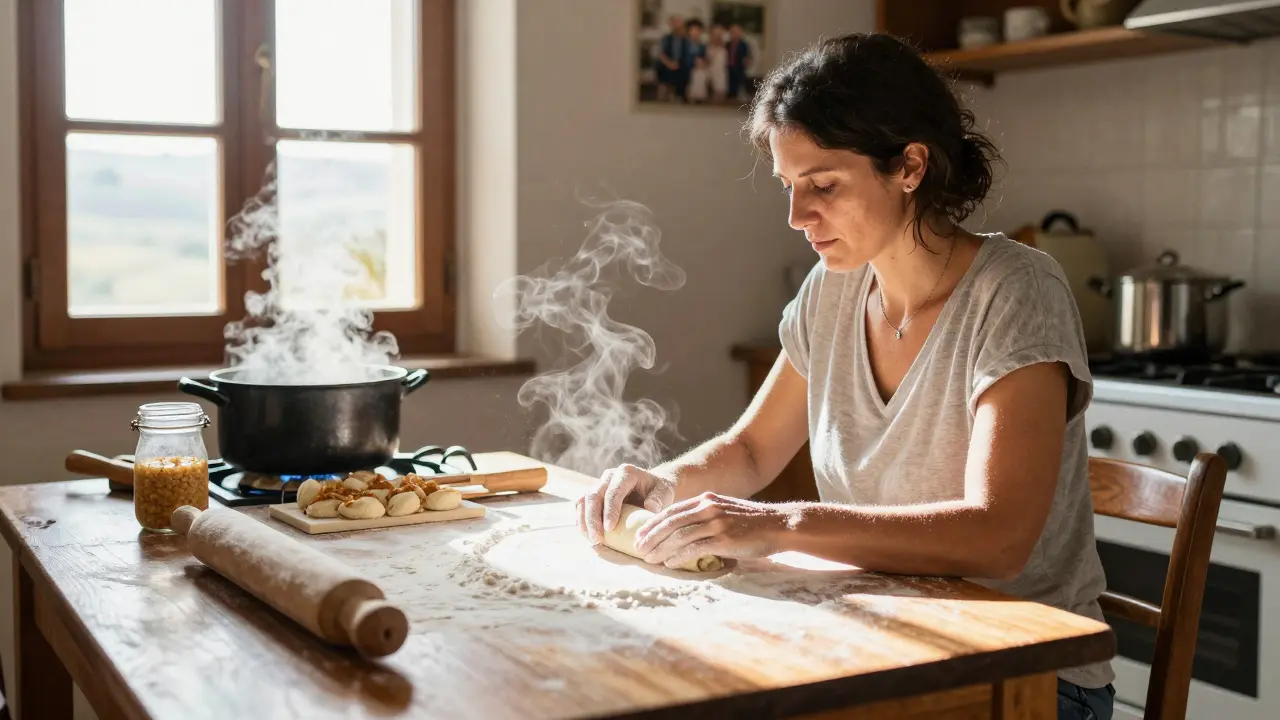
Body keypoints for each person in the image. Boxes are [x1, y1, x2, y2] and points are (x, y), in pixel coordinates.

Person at [578, 33, 1116, 720]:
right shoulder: (832, 289)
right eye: (789, 187)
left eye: (823, 185)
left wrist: (778, 524)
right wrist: (661, 486)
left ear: (911, 166)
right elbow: (749, 451)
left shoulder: (1015, 292)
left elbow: (999, 537)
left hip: (1033, 679)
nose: (798, 217)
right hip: (886, 643)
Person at [655, 15, 689, 102]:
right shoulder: (666, 38)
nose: (678, 27)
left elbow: (688, 55)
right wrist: (669, 63)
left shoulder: (686, 40)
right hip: (667, 64)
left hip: (681, 65)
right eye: (675, 25)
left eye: (680, 25)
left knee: (684, 71)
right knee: (663, 70)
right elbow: (660, 53)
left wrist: (678, 63)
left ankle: (678, 96)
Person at [725, 24, 752, 100]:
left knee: (739, 75)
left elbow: (747, 56)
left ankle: (740, 93)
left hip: (738, 65)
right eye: (733, 32)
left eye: (737, 32)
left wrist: (746, 60)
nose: (735, 34)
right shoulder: (728, 44)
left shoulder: (743, 45)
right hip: (728, 65)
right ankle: (730, 93)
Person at [685, 20, 709, 104]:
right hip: (688, 65)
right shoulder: (685, 44)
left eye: (697, 30)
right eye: (693, 30)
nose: (695, 32)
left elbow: (704, 56)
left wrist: (702, 62)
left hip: (700, 66)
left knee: (701, 73)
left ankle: (700, 96)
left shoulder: (702, 45)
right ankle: (692, 96)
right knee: (696, 73)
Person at [705, 24, 729, 103]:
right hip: (710, 67)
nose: (717, 36)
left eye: (719, 34)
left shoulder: (726, 45)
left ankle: (720, 95)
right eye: (715, 34)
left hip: (721, 68)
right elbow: (707, 59)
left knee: (720, 74)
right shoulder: (708, 46)